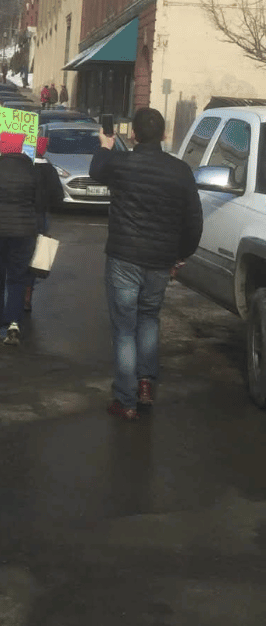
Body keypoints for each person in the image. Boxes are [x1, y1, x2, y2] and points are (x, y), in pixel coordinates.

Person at [89, 107, 202, 419]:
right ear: (164, 135)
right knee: (149, 318)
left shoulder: (121, 163)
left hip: (124, 257)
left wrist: (106, 144)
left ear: (134, 135)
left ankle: (124, 401)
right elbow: (193, 221)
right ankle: (145, 385)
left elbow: (96, 170)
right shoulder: (180, 171)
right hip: (159, 260)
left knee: (125, 328)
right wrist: (181, 255)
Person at [0, 131, 43, 345]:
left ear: (2, 147)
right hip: (24, 231)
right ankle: (14, 322)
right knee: (17, 277)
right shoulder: (31, 170)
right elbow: (40, 201)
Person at [24, 136, 65, 314]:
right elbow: (58, 197)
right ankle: (28, 295)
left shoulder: (25, 168)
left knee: (20, 254)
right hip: (40, 216)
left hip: (23, 215)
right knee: (35, 257)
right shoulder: (49, 170)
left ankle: (16, 293)